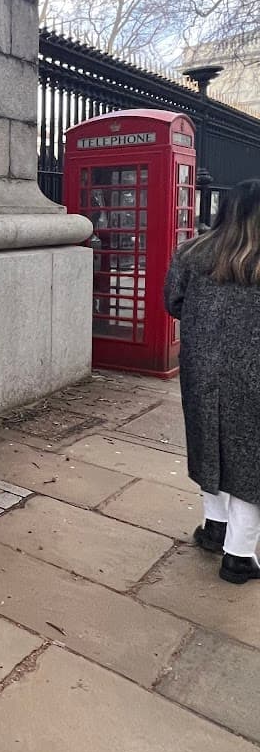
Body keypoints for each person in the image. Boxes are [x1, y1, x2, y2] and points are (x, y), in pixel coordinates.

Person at [164, 179, 260, 585]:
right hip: (253, 373)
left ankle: (214, 528)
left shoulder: (191, 252)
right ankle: (239, 556)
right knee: (249, 460)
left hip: (201, 367)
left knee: (209, 441)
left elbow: (173, 302)